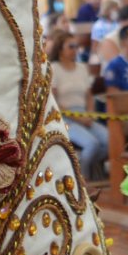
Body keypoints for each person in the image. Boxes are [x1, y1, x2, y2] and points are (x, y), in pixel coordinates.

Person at [46, 33, 106, 179]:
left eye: (76, 46)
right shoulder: (54, 68)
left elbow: (89, 95)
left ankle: (85, 169)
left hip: (83, 113)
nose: (75, 49)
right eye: (71, 46)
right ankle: (82, 180)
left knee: (108, 140)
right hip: (64, 117)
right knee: (92, 144)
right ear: (60, 50)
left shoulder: (81, 68)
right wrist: (80, 118)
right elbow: (54, 102)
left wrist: (90, 113)